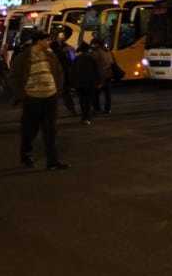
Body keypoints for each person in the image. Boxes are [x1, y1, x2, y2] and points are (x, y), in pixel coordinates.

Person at [7, 29, 69, 171]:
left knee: (50, 131)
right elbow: (13, 77)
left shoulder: (51, 56)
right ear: (39, 41)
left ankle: (52, 162)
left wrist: (56, 90)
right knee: (29, 130)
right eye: (47, 39)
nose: (50, 42)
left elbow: (60, 72)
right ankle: (26, 156)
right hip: (32, 99)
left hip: (50, 98)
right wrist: (22, 94)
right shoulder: (23, 57)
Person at [70, 42, 102, 125]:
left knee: (82, 100)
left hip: (79, 83)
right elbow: (97, 71)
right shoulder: (93, 58)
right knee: (88, 101)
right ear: (88, 49)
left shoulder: (76, 59)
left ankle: (84, 117)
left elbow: (72, 72)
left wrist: (72, 84)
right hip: (90, 83)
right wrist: (99, 81)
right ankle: (86, 118)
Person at [92, 39, 115, 114]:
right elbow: (113, 62)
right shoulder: (109, 52)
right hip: (108, 75)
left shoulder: (96, 53)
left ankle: (97, 109)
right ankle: (108, 109)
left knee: (95, 94)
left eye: (94, 44)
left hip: (100, 76)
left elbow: (95, 65)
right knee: (108, 94)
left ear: (98, 44)